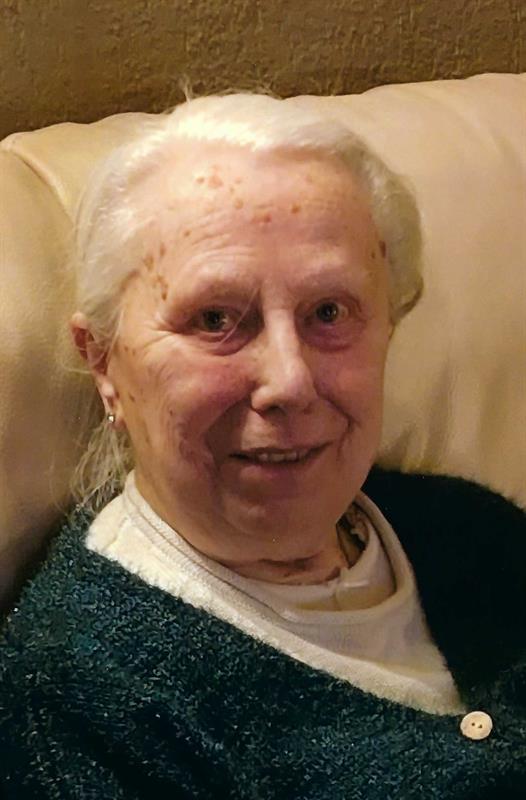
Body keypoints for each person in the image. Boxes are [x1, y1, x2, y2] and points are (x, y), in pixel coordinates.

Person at [0, 92, 524, 800]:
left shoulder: (472, 531)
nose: (289, 382)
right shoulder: (78, 704)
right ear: (103, 362)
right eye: (216, 318)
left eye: (329, 311)